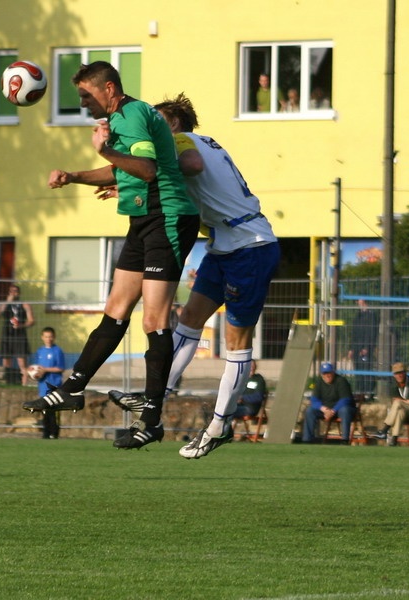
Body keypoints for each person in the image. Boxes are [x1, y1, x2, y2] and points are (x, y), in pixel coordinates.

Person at [22, 62, 199, 451]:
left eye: (87, 95)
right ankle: (72, 389)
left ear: (109, 88)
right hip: (143, 220)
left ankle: (152, 418)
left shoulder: (132, 114)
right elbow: (121, 171)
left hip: (167, 216)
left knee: (154, 320)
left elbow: (148, 170)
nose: (83, 103)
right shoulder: (123, 116)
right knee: (115, 309)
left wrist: (106, 150)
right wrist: (73, 176)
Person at [108, 93, 280, 459]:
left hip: (250, 247)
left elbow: (192, 165)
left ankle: (220, 424)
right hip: (224, 246)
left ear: (171, 125)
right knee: (188, 320)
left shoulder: (183, 142)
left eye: (155, 123)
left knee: (236, 342)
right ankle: (157, 396)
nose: (148, 130)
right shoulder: (199, 141)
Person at [301, 362, 355, 443]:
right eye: (325, 373)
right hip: (326, 410)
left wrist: (333, 411)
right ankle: (307, 440)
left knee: (345, 410)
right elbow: (314, 400)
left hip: (339, 409)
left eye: (329, 372)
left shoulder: (341, 381)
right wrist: (324, 409)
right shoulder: (319, 382)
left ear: (333, 372)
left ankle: (345, 440)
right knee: (309, 410)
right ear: (322, 374)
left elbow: (345, 399)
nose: (327, 375)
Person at [375, 362, 409, 446]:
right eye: (396, 373)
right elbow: (396, 401)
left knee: (398, 403)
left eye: (401, 373)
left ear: (405, 373)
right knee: (400, 412)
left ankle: (384, 429)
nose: (399, 376)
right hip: (405, 410)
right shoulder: (393, 386)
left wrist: (404, 402)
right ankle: (394, 439)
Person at [0, 284, 34, 385]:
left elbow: (31, 320)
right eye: (11, 291)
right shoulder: (5, 305)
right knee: (6, 361)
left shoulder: (24, 305)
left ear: (19, 293)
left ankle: (24, 384)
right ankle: (8, 382)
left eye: (15, 291)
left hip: (20, 336)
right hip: (7, 335)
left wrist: (21, 325)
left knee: (22, 361)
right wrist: (8, 301)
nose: (13, 293)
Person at [31, 327, 66, 440]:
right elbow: (37, 368)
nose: (48, 339)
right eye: (46, 337)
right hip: (43, 386)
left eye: (50, 336)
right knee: (45, 410)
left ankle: (54, 433)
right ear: (42, 337)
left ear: (54, 337)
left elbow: (60, 368)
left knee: (54, 410)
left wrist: (46, 370)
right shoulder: (40, 351)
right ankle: (46, 433)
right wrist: (34, 374)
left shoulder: (57, 351)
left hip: (55, 385)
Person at [348, 299, 379, 397]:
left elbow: (372, 332)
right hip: (356, 347)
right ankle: (360, 391)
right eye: (357, 301)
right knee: (358, 369)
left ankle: (368, 392)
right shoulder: (358, 315)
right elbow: (353, 332)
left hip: (366, 347)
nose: (357, 303)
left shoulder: (371, 315)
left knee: (366, 369)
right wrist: (351, 348)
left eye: (359, 300)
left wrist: (367, 347)